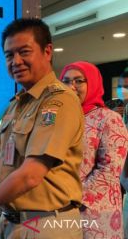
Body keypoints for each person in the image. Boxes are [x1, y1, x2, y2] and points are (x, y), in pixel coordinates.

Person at [0, 18, 84, 239]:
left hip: (46, 225)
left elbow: (31, 174)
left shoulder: (59, 101)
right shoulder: (17, 104)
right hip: (13, 223)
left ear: (47, 51)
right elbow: (8, 159)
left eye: (24, 52)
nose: (16, 61)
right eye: (9, 55)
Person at [59, 61, 128, 238]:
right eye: (65, 81)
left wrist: (70, 199)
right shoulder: (59, 119)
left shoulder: (108, 119)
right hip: (60, 210)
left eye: (78, 81)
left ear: (92, 83)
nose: (71, 86)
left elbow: (109, 170)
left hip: (96, 212)